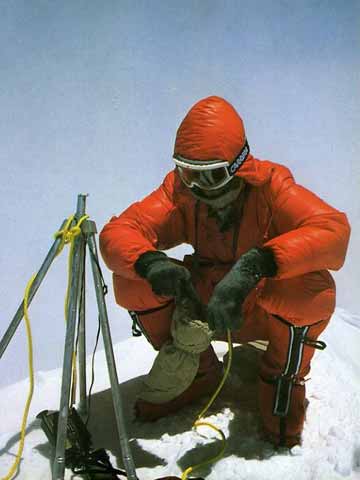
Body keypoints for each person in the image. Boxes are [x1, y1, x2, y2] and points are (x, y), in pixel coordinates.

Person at [99, 96, 350, 448]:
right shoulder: (180, 191)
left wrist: (255, 266)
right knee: (131, 280)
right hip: (207, 302)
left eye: (212, 175)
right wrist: (150, 263)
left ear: (238, 167)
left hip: (260, 304)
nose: (198, 186)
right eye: (189, 173)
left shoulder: (271, 186)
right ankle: (197, 373)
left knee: (314, 291)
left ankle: (281, 379)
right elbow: (120, 231)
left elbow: (333, 231)